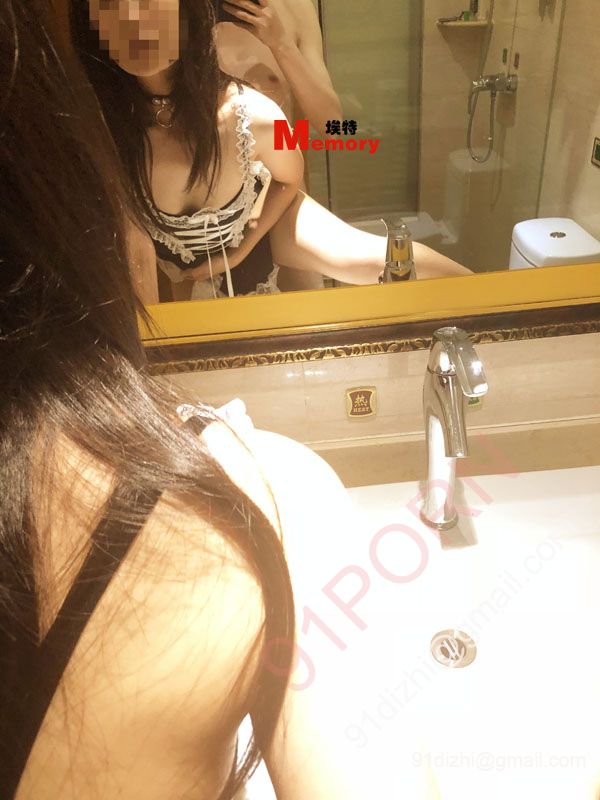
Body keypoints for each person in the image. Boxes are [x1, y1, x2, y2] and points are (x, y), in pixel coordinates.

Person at [0, 2, 381, 799]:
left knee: (389, 269)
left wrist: (283, 52)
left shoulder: (275, 23)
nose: (136, 17)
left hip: (271, 243)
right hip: (182, 304)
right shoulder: (105, 105)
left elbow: (340, 135)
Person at [70, 0, 471, 305]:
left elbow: (332, 126)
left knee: (298, 326)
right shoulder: (190, 13)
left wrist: (280, 43)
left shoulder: (295, 9)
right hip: (173, 201)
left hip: (267, 187)